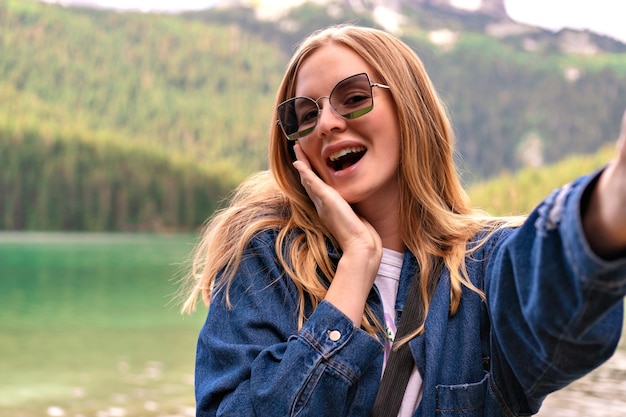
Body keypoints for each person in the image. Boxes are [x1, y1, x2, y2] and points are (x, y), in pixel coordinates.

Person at [180, 25, 626, 417]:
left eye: (353, 99)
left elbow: (556, 299)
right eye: (306, 115)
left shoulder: (483, 268)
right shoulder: (267, 261)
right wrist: (356, 266)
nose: (328, 124)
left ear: (409, 109)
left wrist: (611, 202)